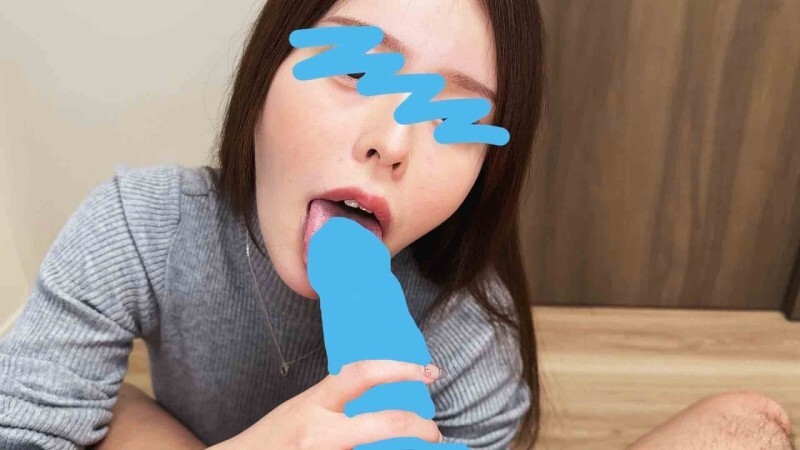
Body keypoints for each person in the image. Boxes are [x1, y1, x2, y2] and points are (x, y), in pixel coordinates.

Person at [0, 1, 794, 449]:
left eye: (455, 117)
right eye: (354, 68)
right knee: (120, 417)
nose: (392, 141)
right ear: (265, 73)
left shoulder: (463, 328)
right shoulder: (140, 229)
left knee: (747, 428)